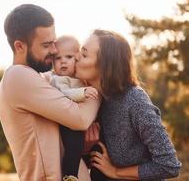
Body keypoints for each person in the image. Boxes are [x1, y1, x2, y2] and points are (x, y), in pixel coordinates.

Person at [0, 4, 100, 181]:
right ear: (20, 46)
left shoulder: (39, 78)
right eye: (46, 45)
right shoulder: (18, 76)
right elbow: (80, 119)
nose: (54, 50)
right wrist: (98, 86)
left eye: (53, 42)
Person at [75, 29, 182, 181]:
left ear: (105, 66)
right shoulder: (89, 99)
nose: (76, 57)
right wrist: (86, 148)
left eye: (84, 54)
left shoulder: (134, 101)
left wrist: (116, 172)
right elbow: (90, 163)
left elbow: (169, 165)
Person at [41, 35, 98, 180]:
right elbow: (64, 93)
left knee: (85, 150)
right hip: (68, 124)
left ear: (77, 59)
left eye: (69, 57)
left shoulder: (79, 78)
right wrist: (83, 92)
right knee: (74, 146)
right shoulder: (58, 79)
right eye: (58, 58)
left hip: (81, 123)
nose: (63, 61)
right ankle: (70, 175)